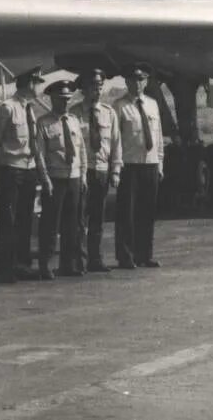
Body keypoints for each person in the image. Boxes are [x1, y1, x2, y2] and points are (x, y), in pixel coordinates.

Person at [0, 66, 50, 283]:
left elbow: (34, 143)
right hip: (11, 169)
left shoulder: (30, 110)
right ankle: (6, 268)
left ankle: (23, 265)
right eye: (37, 83)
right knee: (9, 221)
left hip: (29, 169)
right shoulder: (7, 108)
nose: (39, 87)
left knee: (24, 220)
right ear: (29, 83)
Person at [71, 69, 122, 273]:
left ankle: (96, 259)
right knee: (79, 219)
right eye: (93, 86)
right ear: (83, 89)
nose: (97, 90)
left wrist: (116, 169)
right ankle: (79, 261)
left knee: (98, 219)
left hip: (101, 170)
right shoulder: (74, 113)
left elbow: (116, 143)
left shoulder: (109, 113)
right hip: (82, 171)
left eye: (100, 85)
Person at [113, 63, 163, 269]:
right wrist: (116, 166)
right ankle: (126, 256)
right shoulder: (119, 106)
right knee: (127, 214)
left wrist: (160, 163)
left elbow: (158, 136)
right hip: (130, 165)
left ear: (147, 81)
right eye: (133, 80)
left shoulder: (152, 104)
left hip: (150, 164)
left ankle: (145, 255)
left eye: (141, 79)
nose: (138, 83)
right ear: (127, 82)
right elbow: (116, 139)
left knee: (147, 212)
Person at [36, 80, 87, 279]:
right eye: (60, 99)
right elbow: (39, 155)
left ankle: (68, 264)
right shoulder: (44, 123)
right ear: (52, 100)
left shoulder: (74, 120)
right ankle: (45, 264)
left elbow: (81, 149)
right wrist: (45, 179)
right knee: (50, 224)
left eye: (67, 99)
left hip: (74, 177)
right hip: (55, 179)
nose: (64, 103)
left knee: (72, 224)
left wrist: (82, 176)